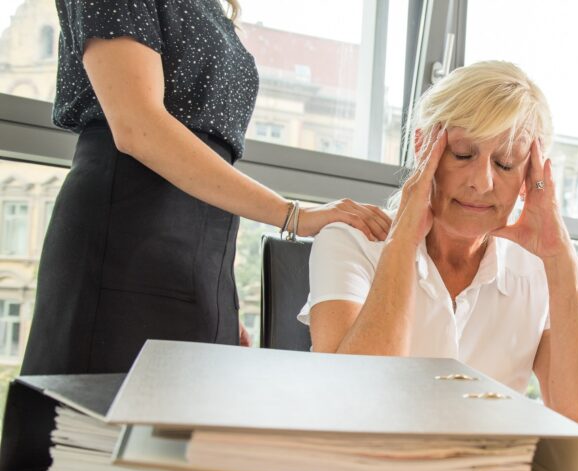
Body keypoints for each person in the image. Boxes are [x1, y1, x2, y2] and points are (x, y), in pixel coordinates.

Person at [21, 0, 390, 376]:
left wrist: (219, 296)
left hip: (197, 268)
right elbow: (137, 127)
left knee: (183, 426)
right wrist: (294, 214)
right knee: (100, 426)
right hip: (122, 250)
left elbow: (204, 166)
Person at [300, 61, 578, 428]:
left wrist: (561, 258)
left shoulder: (536, 270)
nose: (481, 182)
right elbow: (350, 397)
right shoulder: (351, 243)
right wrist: (402, 243)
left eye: (506, 163)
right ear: (422, 149)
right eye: (463, 154)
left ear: (531, 175)